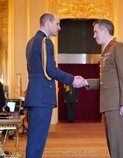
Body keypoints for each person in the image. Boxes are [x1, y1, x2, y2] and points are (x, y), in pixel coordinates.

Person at [24, 13, 84, 158]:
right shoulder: (45, 41)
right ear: (48, 23)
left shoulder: (31, 42)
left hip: (35, 95)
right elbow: (50, 70)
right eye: (57, 24)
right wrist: (72, 79)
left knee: (34, 140)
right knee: (37, 142)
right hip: (42, 98)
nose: (59, 27)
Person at [84, 19, 123, 158]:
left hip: (117, 105)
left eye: (96, 32)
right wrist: (85, 82)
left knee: (118, 145)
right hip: (110, 105)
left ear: (105, 31)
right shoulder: (108, 49)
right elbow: (106, 81)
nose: (94, 35)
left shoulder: (118, 48)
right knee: (113, 145)